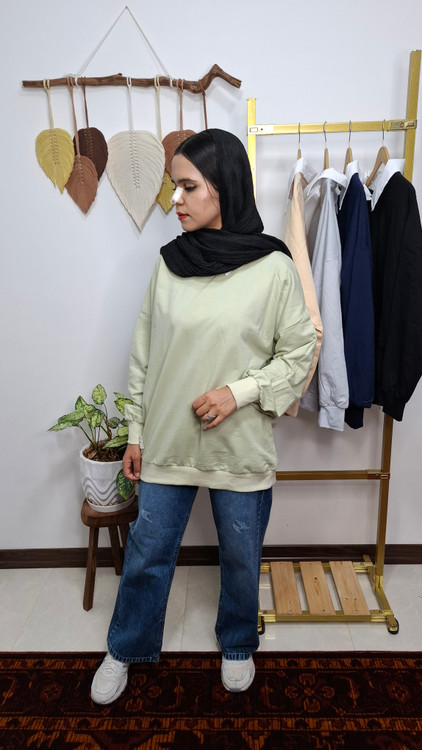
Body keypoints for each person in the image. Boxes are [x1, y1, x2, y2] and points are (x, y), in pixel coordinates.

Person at [91, 128, 317, 704]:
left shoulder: (273, 267)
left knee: (241, 556)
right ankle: (126, 646)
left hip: (239, 445)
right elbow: (143, 354)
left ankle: (237, 641)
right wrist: (135, 432)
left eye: (188, 187)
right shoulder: (169, 265)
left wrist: (238, 392)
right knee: (147, 552)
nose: (176, 199)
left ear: (224, 186)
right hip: (167, 440)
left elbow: (299, 350)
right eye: (175, 187)